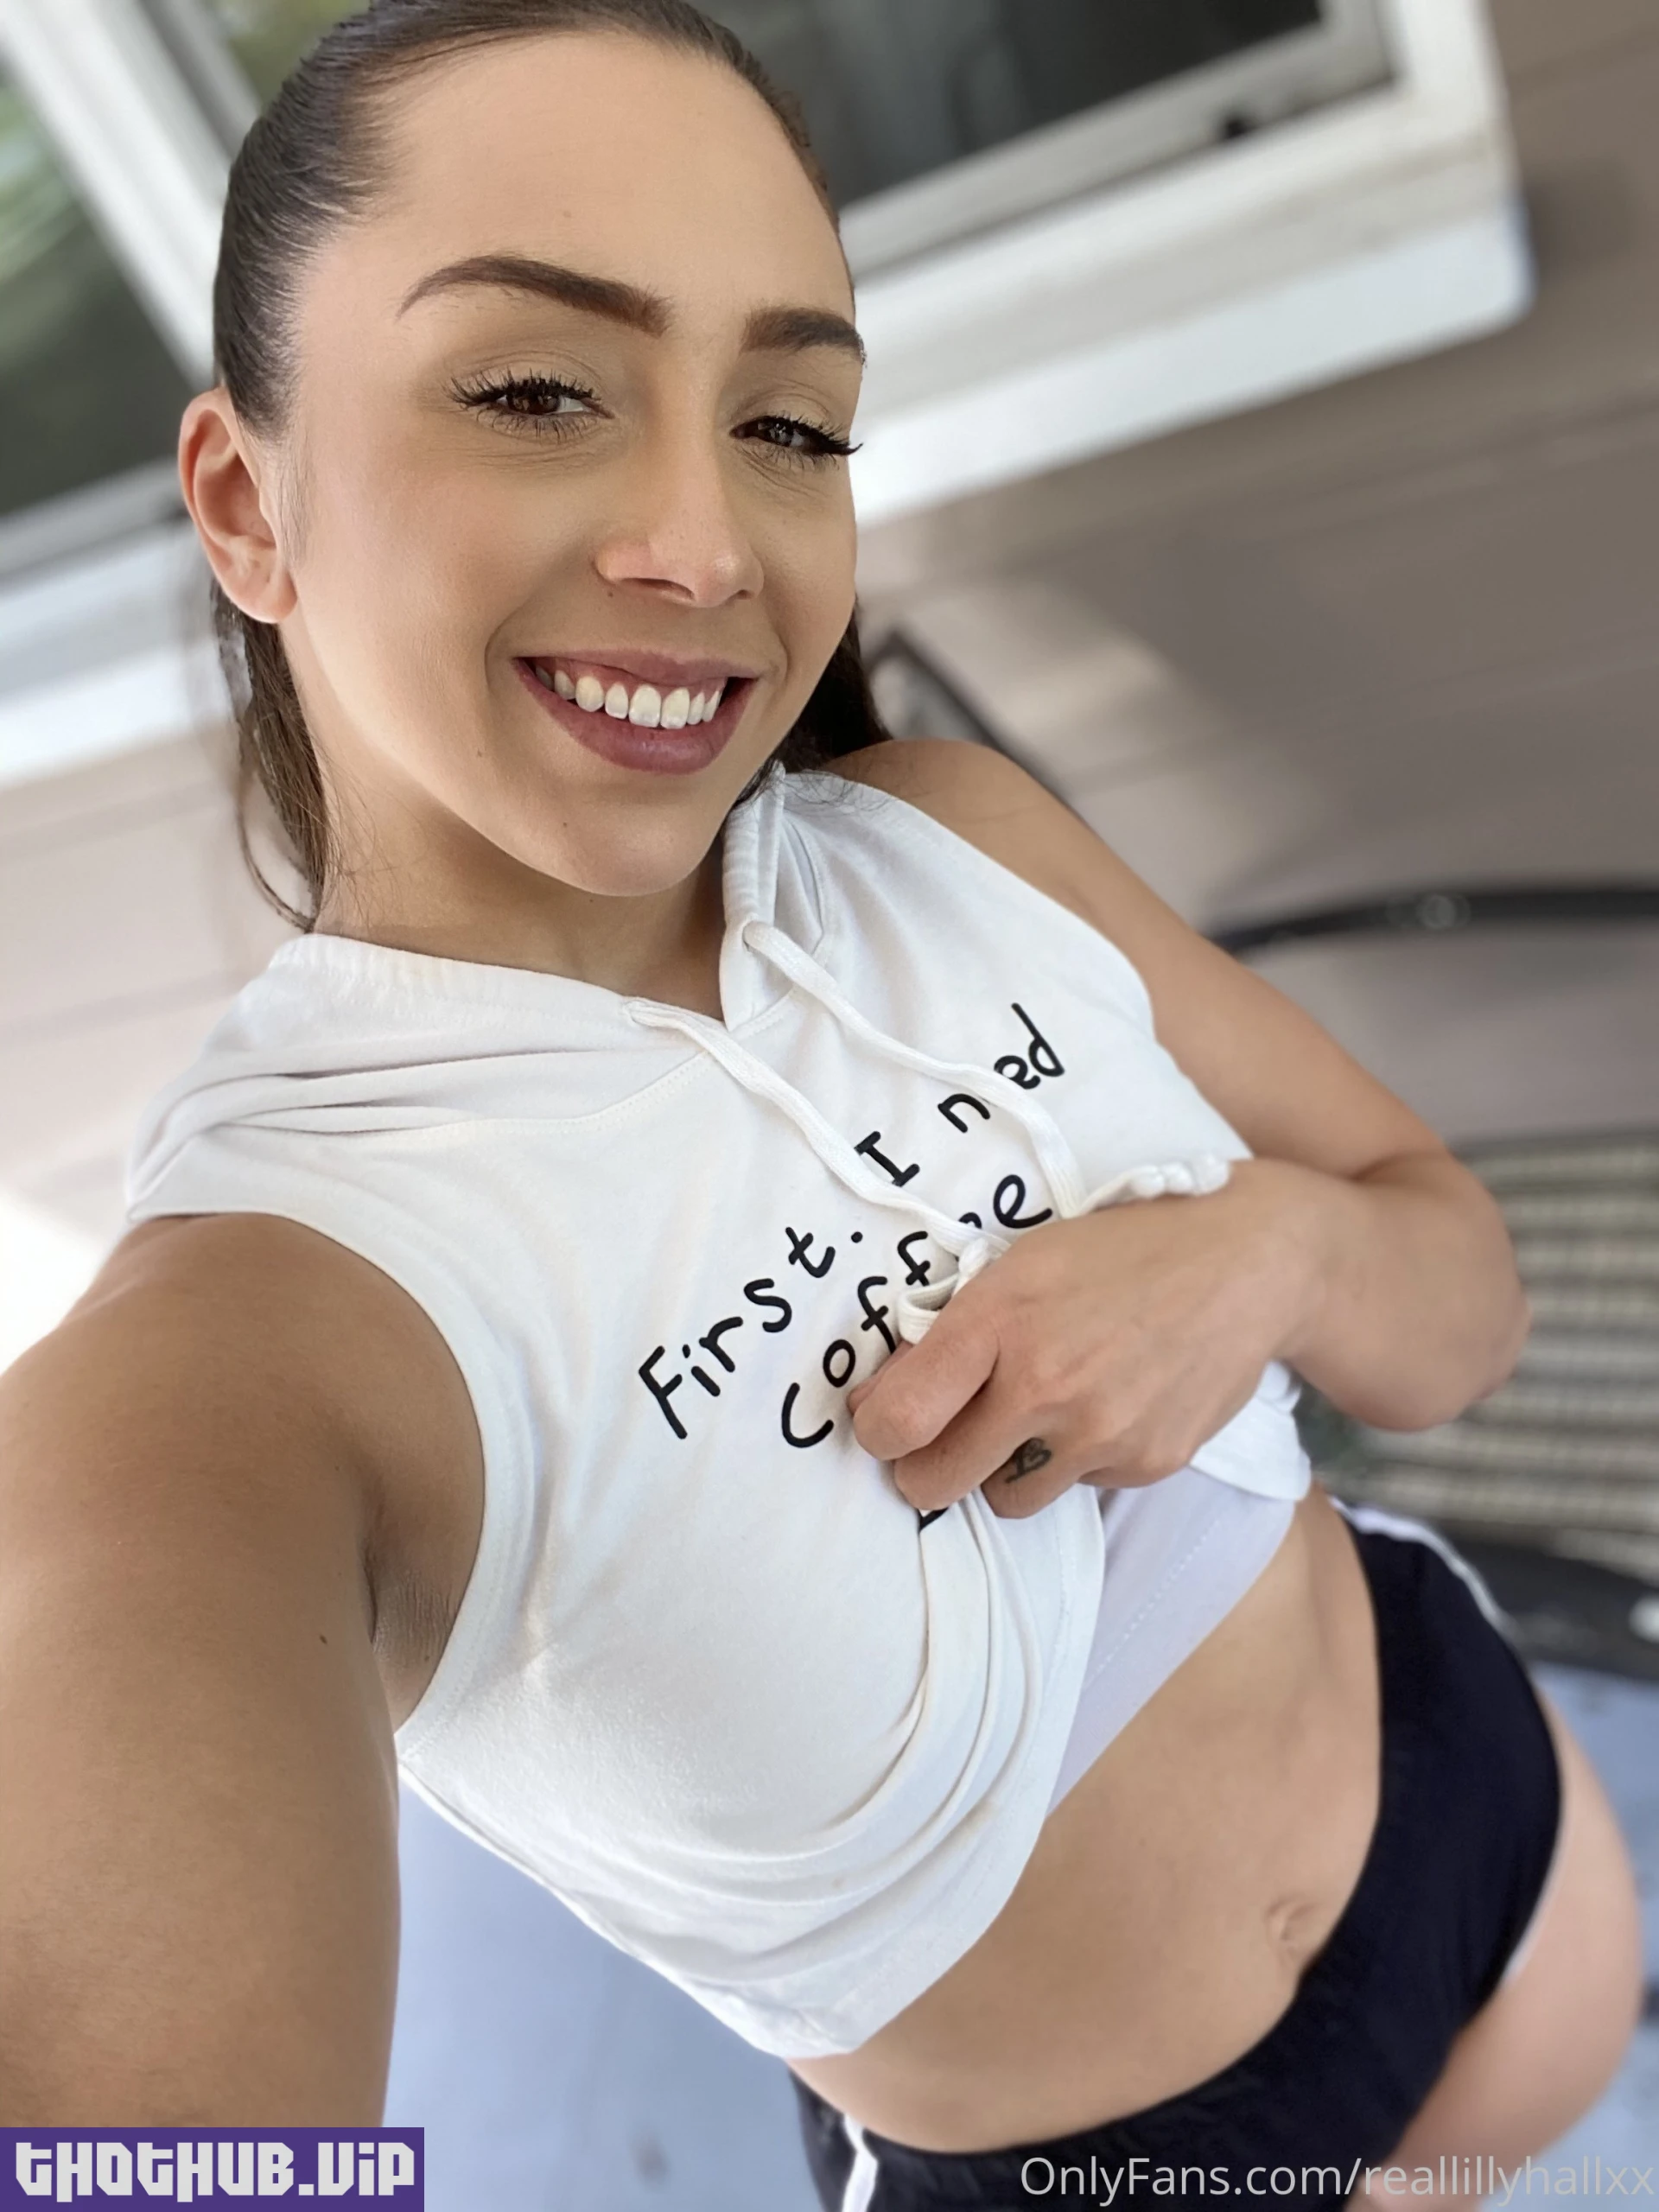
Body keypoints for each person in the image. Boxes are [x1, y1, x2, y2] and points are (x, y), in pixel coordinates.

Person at [0, 3, 1641, 2200]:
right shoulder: (244, 1354)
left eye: (789, 422)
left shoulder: (954, 836)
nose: (706, 542)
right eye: (536, 390)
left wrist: (1256, 1254)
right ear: (246, 499)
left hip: (1486, 1806)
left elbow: (1460, 1305)